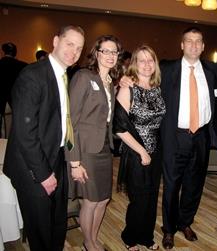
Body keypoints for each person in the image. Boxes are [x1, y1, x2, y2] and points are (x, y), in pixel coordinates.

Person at [3, 25, 85, 251]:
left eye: (79, 48)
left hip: (55, 156)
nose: (74, 52)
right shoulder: (33, 75)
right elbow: (24, 133)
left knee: (57, 221)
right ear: (56, 41)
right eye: (70, 44)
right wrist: (43, 174)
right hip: (32, 167)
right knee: (40, 229)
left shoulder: (63, 74)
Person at [159, 27, 217, 249]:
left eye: (198, 41)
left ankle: (185, 222)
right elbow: (144, 81)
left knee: (194, 184)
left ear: (203, 46)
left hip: (201, 137)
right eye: (189, 41)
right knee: (171, 186)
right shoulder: (167, 69)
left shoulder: (214, 71)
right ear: (182, 45)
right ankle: (168, 229)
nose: (194, 45)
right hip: (175, 137)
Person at [65, 35, 122, 251]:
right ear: (96, 53)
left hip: (104, 149)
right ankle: (88, 243)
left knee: (103, 199)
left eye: (114, 52)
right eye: (105, 51)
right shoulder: (84, 77)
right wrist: (74, 162)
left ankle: (94, 237)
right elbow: (71, 121)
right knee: (90, 201)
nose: (110, 56)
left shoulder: (111, 83)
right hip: (85, 151)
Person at [114, 45, 166, 251]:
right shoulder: (128, 88)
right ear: (134, 64)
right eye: (141, 60)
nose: (146, 64)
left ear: (155, 64)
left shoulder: (158, 88)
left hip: (157, 152)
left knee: (152, 197)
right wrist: (142, 151)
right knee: (139, 199)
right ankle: (130, 236)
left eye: (150, 60)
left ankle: (146, 236)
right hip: (136, 152)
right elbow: (119, 128)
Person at [0, 42, 27, 137]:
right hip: (18, 103)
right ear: (15, 53)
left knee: (2, 131)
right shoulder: (23, 66)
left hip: (2, 104)